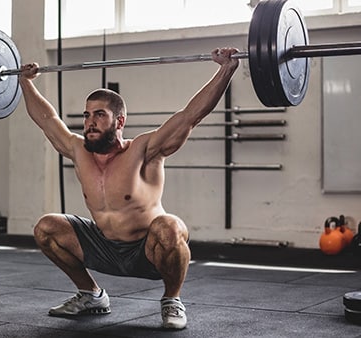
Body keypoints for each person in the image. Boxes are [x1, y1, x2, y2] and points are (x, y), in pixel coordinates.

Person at [18, 47, 240, 330]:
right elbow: (47, 120)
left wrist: (226, 70)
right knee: (46, 227)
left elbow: (190, 116)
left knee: (171, 227)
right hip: (102, 245)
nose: (90, 122)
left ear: (119, 121)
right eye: (87, 116)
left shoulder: (144, 149)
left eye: (99, 115)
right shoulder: (78, 150)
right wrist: (26, 82)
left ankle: (172, 299)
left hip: (146, 250)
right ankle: (92, 295)